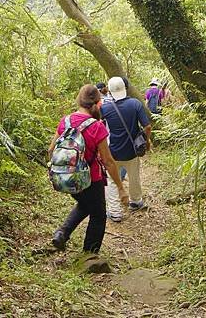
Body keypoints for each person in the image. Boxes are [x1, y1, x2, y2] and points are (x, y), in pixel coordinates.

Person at [48, 84, 128, 253]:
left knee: (84, 205)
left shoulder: (65, 121)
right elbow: (108, 161)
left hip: (67, 177)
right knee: (98, 215)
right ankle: (90, 255)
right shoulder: (96, 126)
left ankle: (61, 233)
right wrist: (120, 187)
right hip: (91, 179)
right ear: (98, 103)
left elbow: (51, 150)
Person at [101, 76, 152, 222]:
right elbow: (147, 126)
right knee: (134, 175)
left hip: (113, 151)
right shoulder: (135, 104)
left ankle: (115, 211)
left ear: (109, 90)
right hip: (132, 150)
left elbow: (99, 126)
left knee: (111, 180)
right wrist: (146, 141)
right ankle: (135, 201)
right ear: (125, 88)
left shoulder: (105, 108)